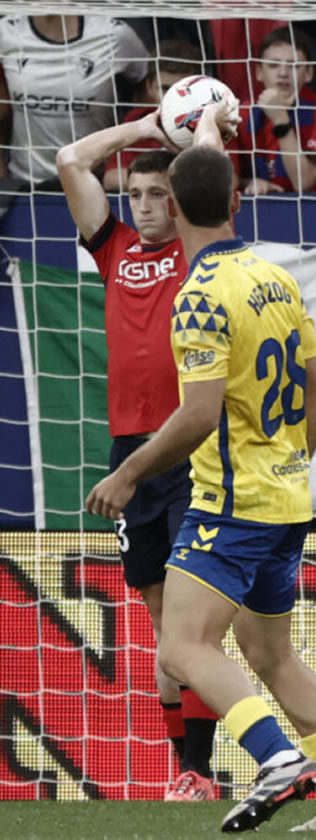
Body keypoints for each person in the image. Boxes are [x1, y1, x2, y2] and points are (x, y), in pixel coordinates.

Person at [83, 120, 316, 832]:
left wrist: (127, 473)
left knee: (182, 645)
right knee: (271, 654)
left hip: (232, 500)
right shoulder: (274, 275)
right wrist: (293, 460)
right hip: (285, 495)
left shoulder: (198, 292)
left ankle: (277, 758)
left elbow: (196, 416)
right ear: (237, 204)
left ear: (178, 211)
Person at [56, 107, 224, 802]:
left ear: (181, 202)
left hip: (192, 444)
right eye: (137, 194)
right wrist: (152, 121)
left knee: (195, 619)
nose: (148, 206)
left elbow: (213, 179)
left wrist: (203, 126)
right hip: (131, 451)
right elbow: (70, 160)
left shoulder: (197, 248)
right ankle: (187, 772)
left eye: (161, 194)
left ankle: (208, 769)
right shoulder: (114, 248)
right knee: (163, 622)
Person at [0, 14, 148, 188]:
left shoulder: (116, 35)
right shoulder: (6, 32)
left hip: (95, 182)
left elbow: (148, 89)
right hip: (24, 184)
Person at [237, 26, 316, 194]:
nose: (283, 73)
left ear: (308, 73)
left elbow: (304, 182)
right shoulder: (241, 112)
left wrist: (280, 121)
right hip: (257, 209)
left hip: (314, 209)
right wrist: (250, 182)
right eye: (273, 65)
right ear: (259, 72)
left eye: (293, 65)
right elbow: (224, 180)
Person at [102, 39, 204, 192]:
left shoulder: (212, 121)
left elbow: (227, 179)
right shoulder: (137, 120)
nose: (174, 98)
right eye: (165, 89)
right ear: (149, 87)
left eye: (183, 91)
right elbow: (111, 178)